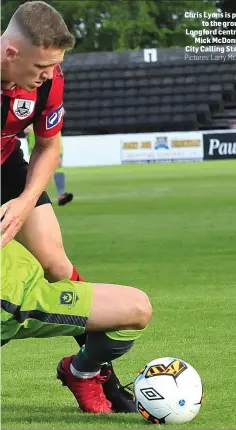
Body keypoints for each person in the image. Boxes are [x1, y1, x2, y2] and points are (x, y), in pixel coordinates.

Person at [0, 1, 136, 411]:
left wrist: (25, 201)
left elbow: (47, 145)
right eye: (41, 65)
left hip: (7, 166)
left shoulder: (49, 79)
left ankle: (91, 372)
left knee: (58, 266)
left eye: (53, 66)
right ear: (11, 53)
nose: (48, 75)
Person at [1, 240, 152, 413]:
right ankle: (84, 374)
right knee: (135, 309)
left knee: (137, 307)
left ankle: (83, 372)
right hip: (14, 300)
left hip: (28, 279)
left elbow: (53, 258)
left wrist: (22, 210)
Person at [25, 118, 74, 206]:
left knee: (58, 164)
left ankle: (61, 195)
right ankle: (33, 196)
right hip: (36, 134)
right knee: (37, 167)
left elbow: (60, 111)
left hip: (52, 133)